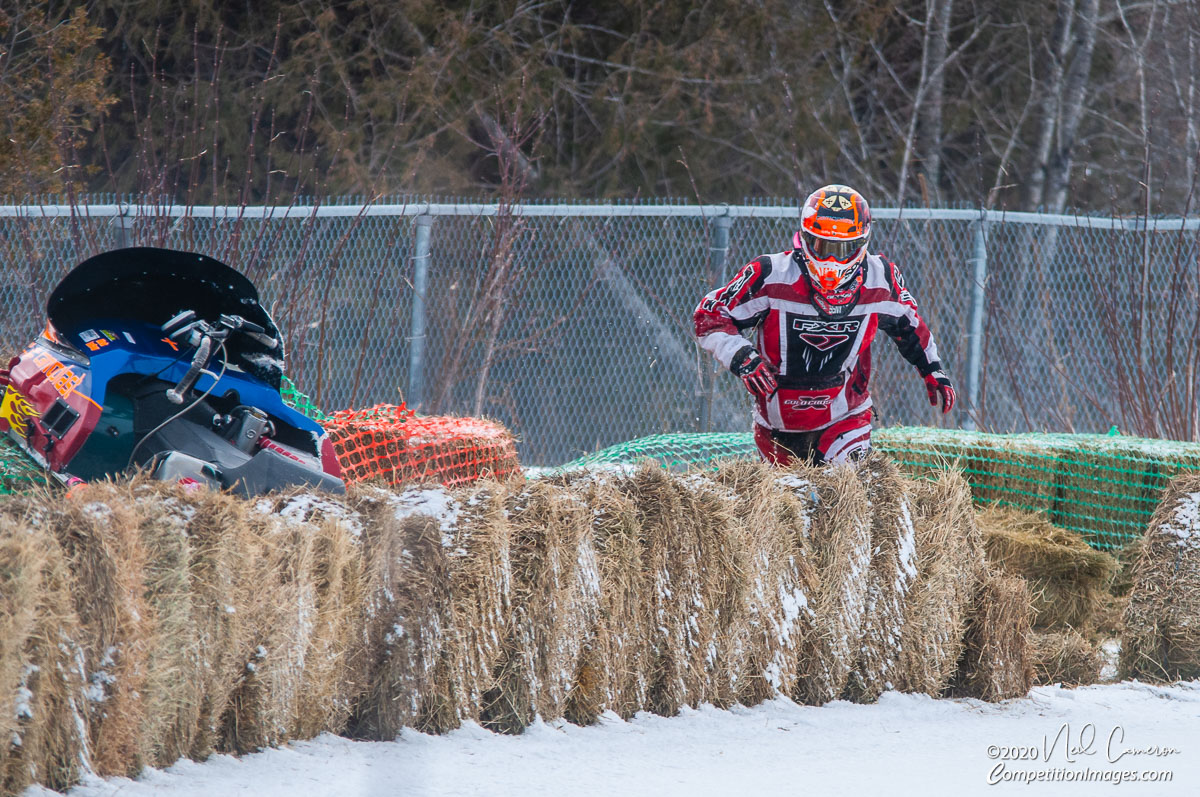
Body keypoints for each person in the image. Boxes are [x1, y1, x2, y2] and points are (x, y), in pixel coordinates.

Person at [693, 184, 954, 466]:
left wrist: (933, 370)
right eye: (823, 246)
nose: (832, 259)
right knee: (787, 504)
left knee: (841, 492)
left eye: (843, 248)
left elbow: (910, 325)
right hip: (777, 422)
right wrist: (742, 357)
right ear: (804, 238)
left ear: (861, 244)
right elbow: (709, 315)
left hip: (846, 414)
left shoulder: (880, 279)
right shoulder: (770, 275)